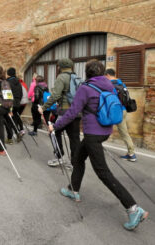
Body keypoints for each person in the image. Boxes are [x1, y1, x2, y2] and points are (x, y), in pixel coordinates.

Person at [49, 59, 148, 231]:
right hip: (105, 131)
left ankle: (133, 208)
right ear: (102, 72)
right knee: (78, 158)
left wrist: (55, 126)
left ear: (87, 73)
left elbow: (72, 112)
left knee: (103, 172)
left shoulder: (85, 88)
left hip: (93, 134)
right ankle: (74, 189)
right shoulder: (109, 85)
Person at [39, 58, 80, 168]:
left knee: (53, 131)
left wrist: (43, 107)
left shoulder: (61, 77)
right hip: (76, 112)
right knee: (74, 138)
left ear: (60, 67)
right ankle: (75, 164)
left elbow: (56, 95)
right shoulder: (76, 77)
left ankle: (59, 156)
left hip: (64, 112)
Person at [105, 69, 137, 162]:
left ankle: (95, 148)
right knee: (124, 132)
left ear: (107, 75)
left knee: (102, 126)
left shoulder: (109, 85)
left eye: (105, 76)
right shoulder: (122, 83)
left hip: (115, 111)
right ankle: (131, 153)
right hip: (123, 110)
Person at [5, 67, 23, 144]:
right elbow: (21, 94)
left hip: (10, 103)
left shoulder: (7, 82)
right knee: (14, 120)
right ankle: (17, 132)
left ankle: (9, 139)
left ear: (8, 74)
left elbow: (6, 95)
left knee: (8, 121)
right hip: (17, 103)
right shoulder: (19, 82)